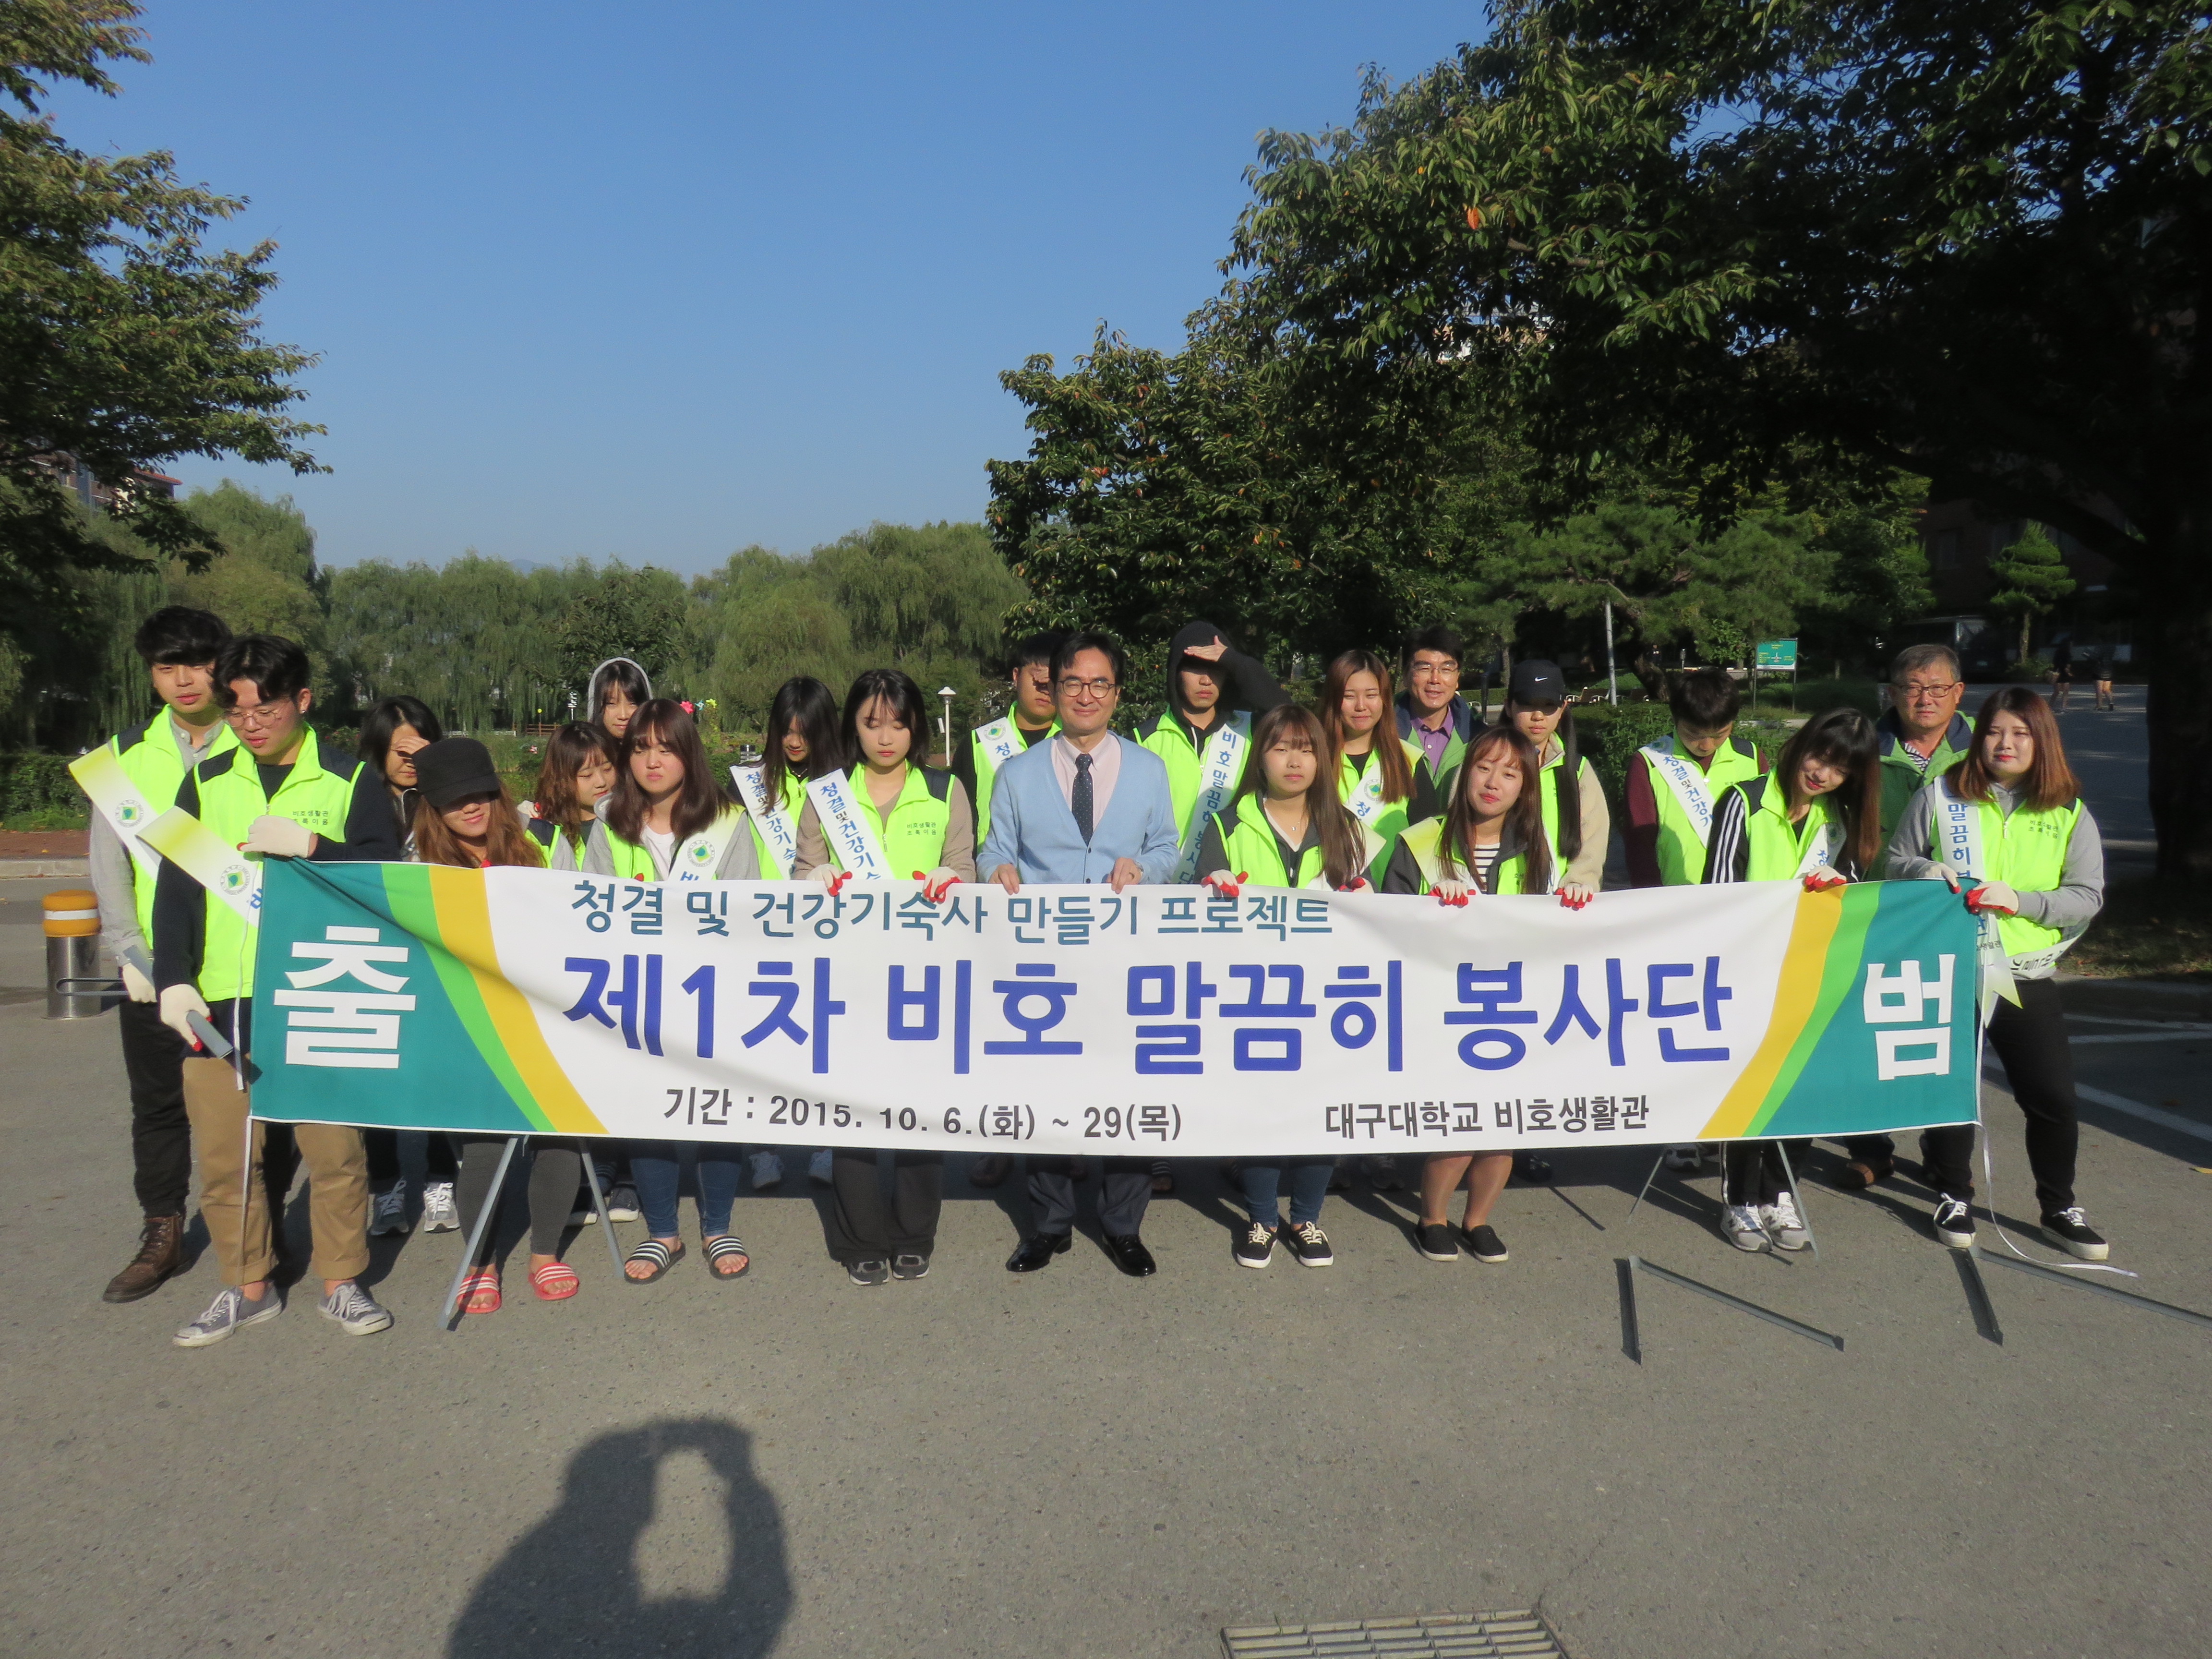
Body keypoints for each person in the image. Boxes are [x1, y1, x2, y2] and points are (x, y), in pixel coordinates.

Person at [153, 634, 404, 1346]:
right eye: (236, 712)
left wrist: (316, 849)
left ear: (302, 700)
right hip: (222, 997)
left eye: (265, 709)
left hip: (322, 992)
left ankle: (341, 1280)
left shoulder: (349, 780)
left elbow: (387, 879)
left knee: (335, 1153)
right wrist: (173, 977)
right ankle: (247, 1286)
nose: (250, 724)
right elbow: (177, 889)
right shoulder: (207, 781)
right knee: (228, 1158)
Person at [1882, 687, 2110, 1260]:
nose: (2005, 744)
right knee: (1953, 1091)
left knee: (2053, 1097)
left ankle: (2059, 1206)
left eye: (2021, 733)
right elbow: (1895, 861)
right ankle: (1952, 1194)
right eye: (1994, 731)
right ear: (1978, 737)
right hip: (1950, 968)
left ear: (2042, 742)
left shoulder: (2067, 811)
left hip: (2023, 974)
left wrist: (2023, 902)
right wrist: (1922, 870)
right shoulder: (1941, 795)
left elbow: (2087, 896)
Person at [980, 631, 1181, 1276]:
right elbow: (994, 848)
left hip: (1125, 957)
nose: (1086, 695)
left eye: (1100, 684)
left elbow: (1169, 847)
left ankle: (1123, 1224)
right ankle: (1049, 1223)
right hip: (1046, 960)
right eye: (1073, 682)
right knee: (1047, 1087)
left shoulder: (1149, 769)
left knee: (1126, 1085)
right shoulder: (1017, 773)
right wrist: (995, 870)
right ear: (1054, 688)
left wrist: (1144, 868)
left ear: (1117, 694)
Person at [792, 669, 978, 1285]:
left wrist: (955, 880)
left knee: (922, 1107)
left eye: (898, 723)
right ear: (853, 726)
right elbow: (803, 870)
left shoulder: (945, 789)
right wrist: (812, 879)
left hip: (927, 975)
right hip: (850, 977)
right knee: (854, 1110)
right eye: (872, 724)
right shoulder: (827, 794)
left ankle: (914, 1232)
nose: (886, 736)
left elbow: (964, 866)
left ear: (916, 726)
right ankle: (860, 1237)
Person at [85, 606, 244, 1303]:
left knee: (252, 1099)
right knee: (156, 1107)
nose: (184, 680)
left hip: (239, 961)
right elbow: (108, 863)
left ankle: (254, 1228)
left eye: (199, 664)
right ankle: (162, 1231)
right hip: (152, 968)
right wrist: (129, 949)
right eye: (166, 666)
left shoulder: (255, 744)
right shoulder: (123, 757)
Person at [1382, 724, 1584, 1264]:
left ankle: (1478, 1220)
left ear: (1525, 788)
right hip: (1442, 1006)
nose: (1494, 782)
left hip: (1512, 1007)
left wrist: (1575, 899)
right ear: (1465, 773)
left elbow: (1551, 931)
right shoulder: (1421, 841)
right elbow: (1384, 923)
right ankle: (1432, 1218)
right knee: (1459, 1125)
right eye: (1484, 767)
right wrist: (1427, 910)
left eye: (1510, 773)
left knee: (1503, 1127)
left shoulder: (1539, 848)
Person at [407, 738, 588, 1310]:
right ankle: (481, 1260)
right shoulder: (419, 862)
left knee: (560, 1136)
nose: (470, 806)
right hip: (467, 1024)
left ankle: (545, 1252)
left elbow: (581, 918)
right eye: (454, 799)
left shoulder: (542, 842)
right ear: (434, 807)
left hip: (544, 1016)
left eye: (480, 792)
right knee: (483, 1148)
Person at [583, 698, 759, 1285]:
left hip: (712, 992)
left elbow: (748, 908)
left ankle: (717, 1225)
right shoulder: (610, 822)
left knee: (716, 1110)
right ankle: (663, 1230)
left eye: (666, 748)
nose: (652, 761)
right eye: (640, 749)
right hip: (638, 992)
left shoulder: (728, 821)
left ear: (689, 753)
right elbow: (592, 908)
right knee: (647, 1109)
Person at [1196, 704, 1374, 1268]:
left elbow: (1374, 914)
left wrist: (1367, 900)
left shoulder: (1349, 828)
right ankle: (1262, 1218)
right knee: (1262, 1107)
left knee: (1321, 1106)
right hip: (1255, 995)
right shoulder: (1226, 825)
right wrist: (1211, 884)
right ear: (1261, 758)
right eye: (1280, 748)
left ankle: (1306, 1217)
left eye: (1306, 749)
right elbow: (1198, 909)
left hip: (1327, 995)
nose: (1294, 761)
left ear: (1322, 759)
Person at [1702, 707, 1883, 1253]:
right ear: (1801, 745)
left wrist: (1841, 883)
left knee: (1805, 1087)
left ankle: (1780, 1195)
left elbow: (1854, 893)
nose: (1823, 774)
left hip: (1814, 972)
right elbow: (1718, 890)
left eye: (1840, 769)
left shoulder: (1841, 817)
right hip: (1748, 971)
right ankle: (1740, 1200)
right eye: (1819, 757)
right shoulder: (1743, 800)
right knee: (1752, 1088)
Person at [1133, 622, 1286, 1195]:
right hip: (1162, 904)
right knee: (1161, 1027)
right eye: (1194, 667)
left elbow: (1289, 712)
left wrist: (1238, 660)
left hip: (1233, 898)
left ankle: (1230, 1143)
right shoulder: (1144, 736)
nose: (1206, 680)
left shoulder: (1250, 729)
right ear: (1175, 673)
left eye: (1216, 670)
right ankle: (1157, 1147)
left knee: (1228, 1026)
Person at [1839, 645, 1976, 1190]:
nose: (1925, 699)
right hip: (1876, 906)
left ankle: (1944, 1157)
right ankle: (1870, 1149)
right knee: (1866, 1034)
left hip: (1953, 915)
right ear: (1891, 693)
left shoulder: (1983, 748)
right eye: (1913, 688)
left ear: (1958, 693)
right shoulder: (1864, 747)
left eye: (1938, 688)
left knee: (1947, 1040)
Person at [950, 632, 1064, 1190]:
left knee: (1062, 1027)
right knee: (1000, 1026)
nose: (1044, 685)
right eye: (1034, 674)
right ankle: (1000, 1138)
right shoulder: (981, 742)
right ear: (1015, 677)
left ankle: (1063, 1138)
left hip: (1064, 906)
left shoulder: (1081, 740)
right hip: (996, 904)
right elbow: (961, 822)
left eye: (1054, 676)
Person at [732, 676, 844, 1194]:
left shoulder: (844, 786)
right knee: (761, 1042)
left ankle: (826, 1145)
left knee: (825, 1043)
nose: (795, 741)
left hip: (826, 931)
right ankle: (763, 1148)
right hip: (763, 931)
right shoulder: (749, 785)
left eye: (805, 731)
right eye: (786, 730)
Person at [355, 695, 459, 1234]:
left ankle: (441, 1181)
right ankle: (387, 1187)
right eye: (400, 749)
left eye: (420, 748)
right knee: (378, 1079)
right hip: (375, 956)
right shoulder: (360, 798)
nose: (410, 760)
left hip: (436, 956)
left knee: (436, 1072)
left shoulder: (444, 800)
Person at [1497, 659, 1609, 895]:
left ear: (1563, 709)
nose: (1538, 716)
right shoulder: (1479, 764)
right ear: (1508, 707)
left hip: (1559, 905)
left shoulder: (1577, 770)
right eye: (1528, 704)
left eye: (1549, 705)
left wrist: (1578, 884)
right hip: (1491, 904)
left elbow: (1593, 839)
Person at [1394, 625, 1479, 798]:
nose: (1435, 679)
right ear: (1406, 675)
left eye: (1446, 669)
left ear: (1457, 678)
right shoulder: (1382, 731)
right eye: (1424, 668)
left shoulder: (1478, 736)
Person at [523, 721, 620, 873]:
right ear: (560, 778)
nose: (601, 782)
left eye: (607, 769)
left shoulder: (631, 821)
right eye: (587, 775)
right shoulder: (543, 832)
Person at [589, 657, 651, 743]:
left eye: (633, 704)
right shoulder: (580, 750)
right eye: (611, 704)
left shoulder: (662, 749)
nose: (623, 716)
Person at [2049, 636, 2074, 714]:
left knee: (2056, 692)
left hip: (2057, 672)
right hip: (2065, 674)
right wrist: (2070, 673)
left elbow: (2055, 663)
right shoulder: (2068, 654)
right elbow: (2068, 666)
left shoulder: (2057, 652)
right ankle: (2063, 708)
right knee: (2066, 692)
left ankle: (2050, 707)